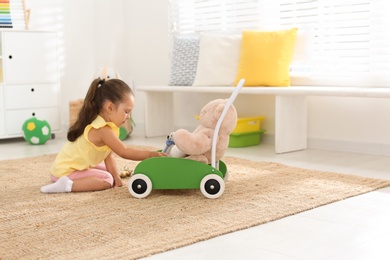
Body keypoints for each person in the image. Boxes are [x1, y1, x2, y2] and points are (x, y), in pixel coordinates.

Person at [40, 78, 167, 193]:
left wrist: (116, 176)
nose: (128, 116)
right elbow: (124, 151)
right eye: (126, 111)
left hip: (65, 168)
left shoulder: (105, 125)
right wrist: (150, 155)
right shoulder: (103, 129)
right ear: (110, 107)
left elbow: (108, 155)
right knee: (107, 179)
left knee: (109, 172)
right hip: (64, 172)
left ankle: (69, 181)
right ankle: (67, 185)